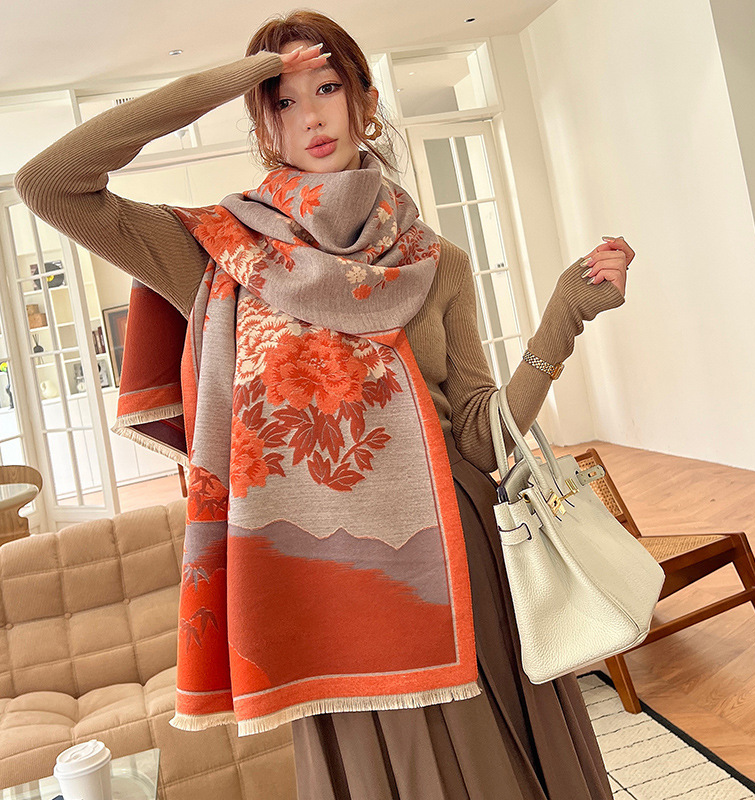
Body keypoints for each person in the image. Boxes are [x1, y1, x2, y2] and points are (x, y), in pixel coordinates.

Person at [14, 10, 634, 799]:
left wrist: (561, 320)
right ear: (262, 122)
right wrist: (240, 75)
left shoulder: (437, 261)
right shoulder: (218, 254)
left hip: (452, 561)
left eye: (328, 88)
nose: (309, 116)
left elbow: (482, 437)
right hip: (319, 584)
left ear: (364, 101)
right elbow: (48, 183)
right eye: (283, 100)